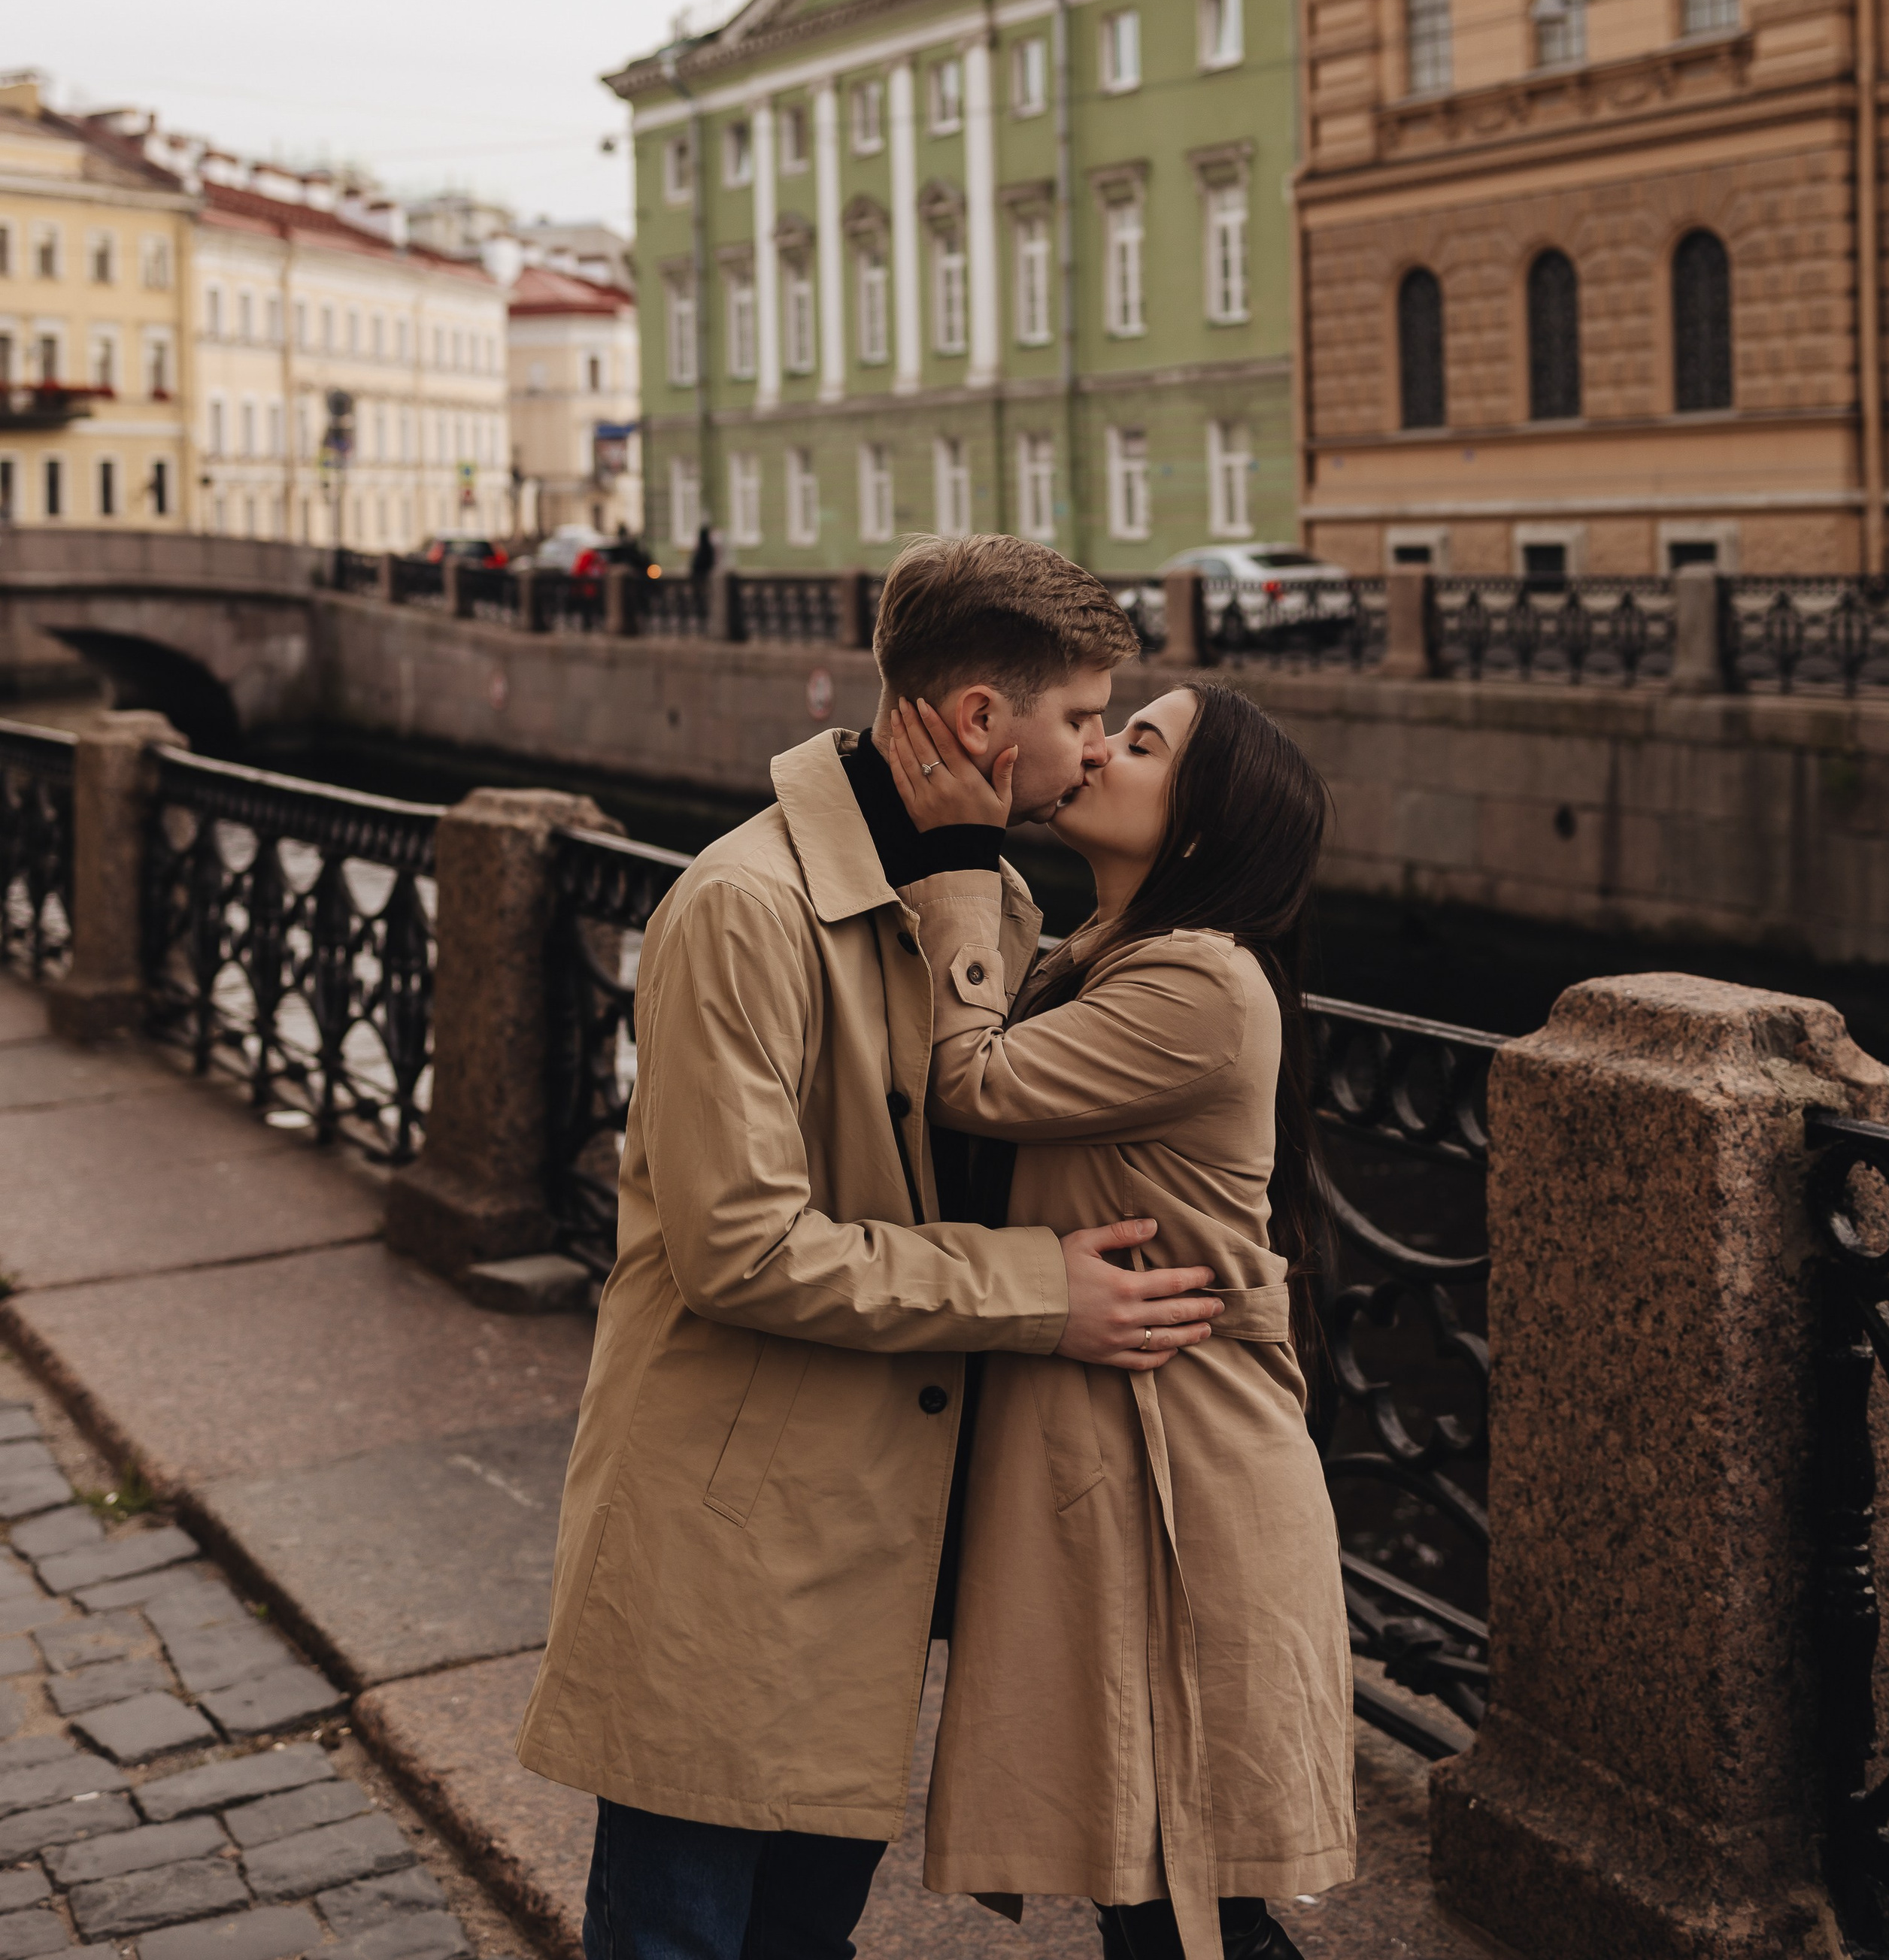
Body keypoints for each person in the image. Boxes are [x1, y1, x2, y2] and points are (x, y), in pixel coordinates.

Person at [516, 535, 1228, 1960]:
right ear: (982, 719)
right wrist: (1043, 1293)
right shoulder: (744, 904)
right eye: (1084, 715)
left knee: (800, 1940)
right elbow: (741, 1247)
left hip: (870, 1521)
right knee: (681, 1939)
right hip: (731, 1527)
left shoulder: (983, 890)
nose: (1097, 749)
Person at [883, 680, 1355, 1960]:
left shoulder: (1200, 980)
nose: (1096, 749)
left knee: (1187, 1898)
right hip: (1130, 1456)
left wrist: (958, 849)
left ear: (1198, 824)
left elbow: (966, 1078)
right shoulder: (1107, 955)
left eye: (1140, 741)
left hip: (1181, 1475)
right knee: (1155, 1884)